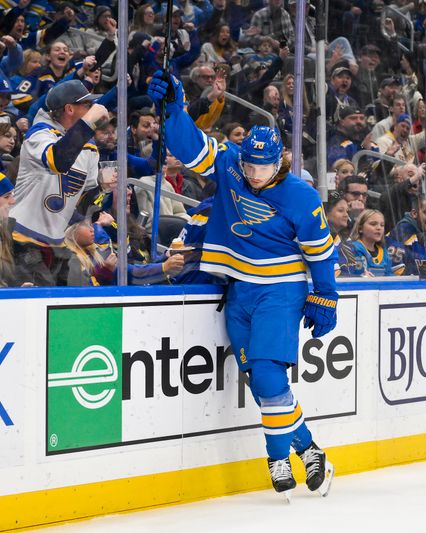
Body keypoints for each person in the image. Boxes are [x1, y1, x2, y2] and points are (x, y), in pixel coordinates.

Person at [148, 71, 336, 499]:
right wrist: (175, 108)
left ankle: (276, 459)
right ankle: (308, 448)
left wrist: (324, 294)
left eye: (262, 165)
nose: (253, 172)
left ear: (280, 160)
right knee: (259, 380)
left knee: (269, 376)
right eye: (248, 163)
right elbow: (192, 149)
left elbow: (320, 252)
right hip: (239, 291)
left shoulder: (301, 197)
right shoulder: (230, 163)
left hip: (280, 291)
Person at [11, 80, 108, 286]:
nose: (91, 110)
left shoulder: (89, 147)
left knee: (70, 294)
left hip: (57, 243)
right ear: (69, 108)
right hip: (21, 239)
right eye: (86, 106)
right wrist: (89, 122)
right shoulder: (39, 134)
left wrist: (103, 188)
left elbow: (85, 198)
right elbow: (59, 160)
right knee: (36, 304)